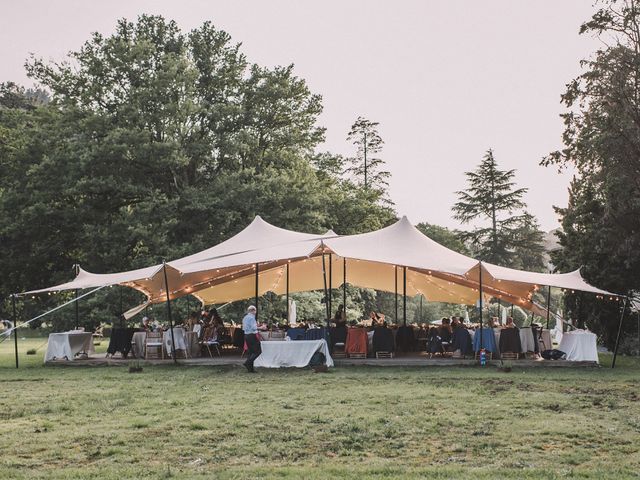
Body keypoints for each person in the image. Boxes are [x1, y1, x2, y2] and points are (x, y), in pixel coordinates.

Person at [242, 305, 261, 373]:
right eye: (255, 311)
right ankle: (247, 362)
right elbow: (254, 328)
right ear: (253, 311)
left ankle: (250, 369)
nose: (255, 312)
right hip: (252, 335)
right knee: (258, 351)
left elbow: (244, 327)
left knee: (251, 352)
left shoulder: (245, 317)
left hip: (246, 335)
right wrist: (262, 328)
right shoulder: (252, 318)